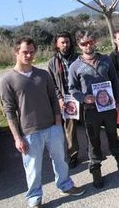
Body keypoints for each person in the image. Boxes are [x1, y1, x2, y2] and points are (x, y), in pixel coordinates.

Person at [0, 37, 85, 208]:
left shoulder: (43, 74)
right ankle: (34, 198)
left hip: (52, 127)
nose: (29, 55)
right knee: (33, 168)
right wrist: (17, 137)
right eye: (25, 52)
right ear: (16, 52)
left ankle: (65, 185)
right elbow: (9, 111)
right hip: (29, 132)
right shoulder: (8, 80)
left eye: (32, 52)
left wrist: (57, 123)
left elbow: (54, 99)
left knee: (61, 160)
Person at [68, 30, 119, 189]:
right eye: (84, 43)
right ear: (79, 45)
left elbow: (115, 81)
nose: (88, 45)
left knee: (113, 135)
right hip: (91, 111)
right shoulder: (75, 66)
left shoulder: (105, 60)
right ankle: (96, 170)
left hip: (109, 107)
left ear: (95, 42)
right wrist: (83, 98)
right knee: (94, 140)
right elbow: (72, 89)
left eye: (90, 41)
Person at [47, 31, 80, 169]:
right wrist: (59, 98)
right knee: (70, 129)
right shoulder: (52, 62)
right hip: (67, 100)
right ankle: (73, 155)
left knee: (90, 125)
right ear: (57, 44)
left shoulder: (79, 58)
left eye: (67, 42)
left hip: (81, 96)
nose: (65, 44)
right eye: (62, 42)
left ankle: (94, 151)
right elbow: (52, 83)